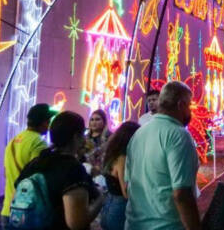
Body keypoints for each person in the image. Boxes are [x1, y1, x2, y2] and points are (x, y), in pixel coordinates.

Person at [124, 80, 200, 230]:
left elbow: (128, 184)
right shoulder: (179, 135)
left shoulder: (139, 133)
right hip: (166, 225)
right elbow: (182, 193)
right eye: (189, 106)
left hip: (135, 223)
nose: (190, 112)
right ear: (181, 105)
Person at [13, 111, 103, 230]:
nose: (84, 139)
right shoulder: (72, 168)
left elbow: (16, 198)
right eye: (82, 134)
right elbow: (76, 223)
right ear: (76, 137)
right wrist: (101, 199)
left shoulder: (35, 163)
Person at [2, 103, 55, 228]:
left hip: (8, 209)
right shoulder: (38, 143)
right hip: (27, 212)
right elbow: (38, 176)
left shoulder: (13, 141)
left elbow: (6, 173)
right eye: (48, 122)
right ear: (44, 123)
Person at [100, 121, 140, 230]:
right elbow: (125, 192)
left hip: (108, 205)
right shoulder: (123, 158)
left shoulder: (113, 155)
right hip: (119, 209)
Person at [85, 109, 110, 175]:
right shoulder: (84, 139)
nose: (94, 122)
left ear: (104, 122)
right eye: (92, 120)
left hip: (104, 173)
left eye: (97, 119)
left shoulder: (110, 138)